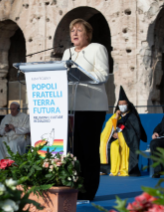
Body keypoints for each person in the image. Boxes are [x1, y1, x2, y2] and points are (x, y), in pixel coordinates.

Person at [62, 18, 109, 200]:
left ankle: (88, 191)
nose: (74, 33)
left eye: (79, 30)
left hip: (91, 108)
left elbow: (103, 75)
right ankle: (74, 188)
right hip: (70, 108)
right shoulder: (67, 52)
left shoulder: (97, 48)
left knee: (88, 151)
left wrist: (80, 74)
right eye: (72, 30)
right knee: (74, 152)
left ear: (88, 35)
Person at [100, 86, 147, 176]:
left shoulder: (132, 116)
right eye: (120, 104)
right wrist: (116, 119)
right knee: (112, 145)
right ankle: (113, 169)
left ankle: (123, 169)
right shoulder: (117, 115)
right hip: (117, 139)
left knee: (118, 146)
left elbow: (134, 132)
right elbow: (109, 128)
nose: (122, 106)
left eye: (123, 104)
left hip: (128, 140)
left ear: (127, 104)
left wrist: (121, 134)